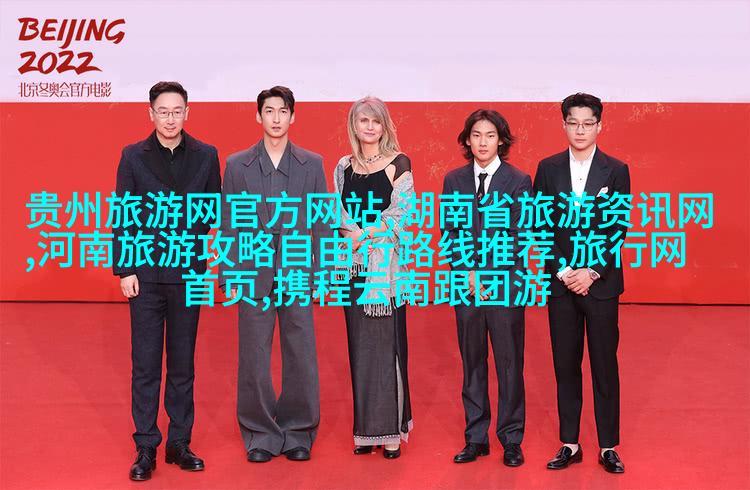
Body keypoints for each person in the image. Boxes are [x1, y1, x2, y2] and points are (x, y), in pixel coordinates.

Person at [113, 81, 221, 481]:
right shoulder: (132, 155)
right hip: (145, 275)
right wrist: (125, 269)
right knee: (145, 364)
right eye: (163, 111)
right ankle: (146, 446)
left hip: (187, 271)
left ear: (187, 113)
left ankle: (179, 442)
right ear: (151, 113)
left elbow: (213, 209)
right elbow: (123, 213)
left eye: (177, 111)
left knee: (182, 362)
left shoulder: (206, 155)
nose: (170, 118)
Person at [219, 86, 329, 463]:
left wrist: (323, 274)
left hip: (298, 272)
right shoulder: (237, 165)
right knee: (254, 358)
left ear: (293, 116)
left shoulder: (312, 164)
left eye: (283, 111)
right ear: (258, 116)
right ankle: (260, 433)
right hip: (253, 273)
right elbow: (229, 223)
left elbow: (322, 223)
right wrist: (229, 275)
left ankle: (299, 431)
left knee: (301, 355)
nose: (276, 118)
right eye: (269, 111)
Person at [533, 93, 630, 474]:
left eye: (588, 123)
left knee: (604, 365)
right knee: (565, 365)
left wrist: (590, 272)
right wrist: (564, 271)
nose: (580, 130)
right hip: (561, 286)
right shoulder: (548, 168)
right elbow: (540, 225)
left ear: (599, 126)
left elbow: (618, 228)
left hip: (601, 285)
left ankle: (608, 446)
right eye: (573, 123)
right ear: (564, 125)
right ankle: (570, 443)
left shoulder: (616, 170)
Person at [441, 109, 531, 467]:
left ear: (501, 141)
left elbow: (519, 236)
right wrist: (468, 273)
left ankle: (511, 439)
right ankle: (475, 437)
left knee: (509, 364)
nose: (482, 142)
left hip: (505, 287)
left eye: (490, 135)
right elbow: (450, 232)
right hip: (465, 287)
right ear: (467, 140)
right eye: (476, 135)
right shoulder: (454, 180)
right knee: (472, 363)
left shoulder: (519, 181)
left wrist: (486, 275)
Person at [333, 96, 415, 459]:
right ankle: (366, 432)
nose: (369, 127)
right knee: (360, 349)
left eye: (375, 121)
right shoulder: (343, 166)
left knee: (388, 349)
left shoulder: (399, 163)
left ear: (384, 126)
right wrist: (351, 236)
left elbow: (401, 214)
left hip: (386, 271)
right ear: (354, 125)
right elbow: (337, 211)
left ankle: (392, 432)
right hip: (353, 268)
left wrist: (364, 235)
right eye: (363, 120)